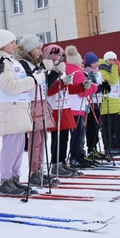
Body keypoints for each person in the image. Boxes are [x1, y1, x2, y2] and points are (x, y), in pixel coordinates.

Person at [0, 27, 38, 196]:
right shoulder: (1, 62)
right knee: (11, 147)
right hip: (9, 108)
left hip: (19, 107)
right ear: (2, 44)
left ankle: (14, 177)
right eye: (11, 42)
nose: (15, 45)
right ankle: (5, 179)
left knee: (19, 145)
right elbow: (10, 86)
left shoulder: (13, 62)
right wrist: (33, 80)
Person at [15, 35, 58, 188]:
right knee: (36, 139)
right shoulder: (23, 63)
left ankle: (38, 168)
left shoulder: (35, 63)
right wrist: (41, 69)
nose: (40, 51)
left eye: (41, 48)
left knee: (42, 138)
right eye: (37, 48)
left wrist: (55, 73)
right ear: (29, 49)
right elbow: (30, 80)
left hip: (41, 101)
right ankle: (34, 170)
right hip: (31, 103)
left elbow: (44, 84)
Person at [44, 44, 83, 177]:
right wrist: (62, 83)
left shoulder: (63, 69)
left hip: (64, 106)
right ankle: (55, 164)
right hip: (55, 107)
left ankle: (62, 162)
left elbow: (69, 88)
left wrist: (81, 86)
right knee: (58, 138)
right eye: (56, 55)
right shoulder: (48, 69)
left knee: (65, 136)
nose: (58, 57)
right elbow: (48, 91)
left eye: (60, 55)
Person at [64, 46, 98, 168]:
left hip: (67, 106)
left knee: (72, 135)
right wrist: (94, 87)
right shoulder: (77, 72)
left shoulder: (66, 70)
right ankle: (76, 156)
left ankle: (76, 156)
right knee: (77, 134)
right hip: (76, 107)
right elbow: (82, 91)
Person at [99, 51, 120, 155]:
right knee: (107, 127)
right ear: (105, 60)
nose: (112, 62)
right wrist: (115, 68)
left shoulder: (113, 70)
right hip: (107, 103)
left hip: (115, 102)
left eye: (113, 60)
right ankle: (108, 146)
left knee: (115, 127)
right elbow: (112, 81)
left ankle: (115, 145)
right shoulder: (102, 70)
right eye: (110, 60)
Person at [83, 52, 106, 161]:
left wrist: (104, 87)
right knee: (91, 126)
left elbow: (100, 84)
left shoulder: (98, 73)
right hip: (90, 102)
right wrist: (98, 87)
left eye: (96, 62)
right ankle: (90, 148)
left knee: (96, 125)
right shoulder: (86, 73)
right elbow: (90, 87)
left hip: (98, 101)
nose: (96, 64)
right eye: (93, 62)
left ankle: (94, 147)